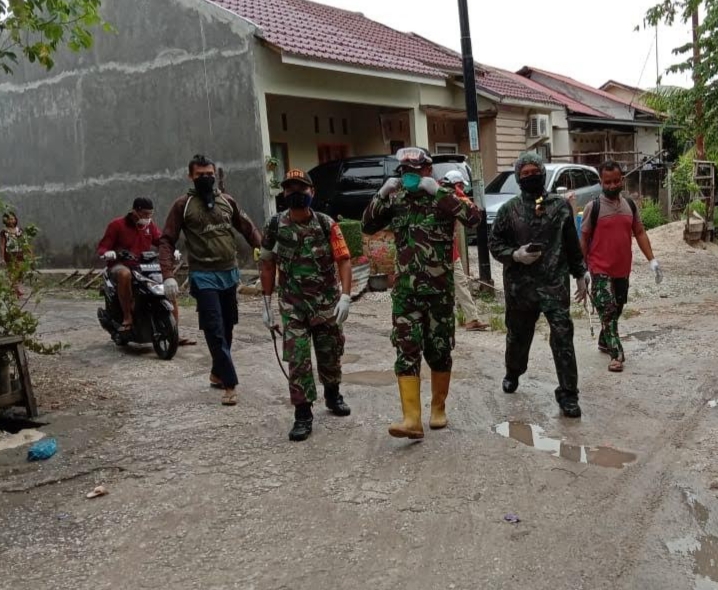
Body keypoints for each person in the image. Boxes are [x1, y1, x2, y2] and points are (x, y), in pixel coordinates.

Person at [362, 147, 481, 439]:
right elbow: (367, 225)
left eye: (415, 172)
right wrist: (381, 194)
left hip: (439, 293)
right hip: (406, 293)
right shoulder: (398, 200)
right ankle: (411, 418)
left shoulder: (444, 196)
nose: (409, 177)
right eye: (404, 172)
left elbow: (474, 217)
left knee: (439, 351)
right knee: (406, 350)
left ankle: (438, 408)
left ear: (427, 171)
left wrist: (439, 193)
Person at [488, 152, 588, 418]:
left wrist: (580, 274)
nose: (531, 177)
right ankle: (513, 371)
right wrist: (515, 254)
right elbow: (494, 244)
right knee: (518, 337)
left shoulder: (560, 206)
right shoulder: (509, 210)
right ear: (519, 178)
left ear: (542, 174)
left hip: (554, 285)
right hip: (520, 288)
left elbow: (571, 244)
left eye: (535, 172)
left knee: (563, 336)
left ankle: (568, 394)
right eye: (525, 174)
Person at [159, 155, 262, 406]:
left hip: (229, 274)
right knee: (215, 330)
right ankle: (230, 384)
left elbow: (248, 229)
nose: (205, 178)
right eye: (200, 175)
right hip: (203, 277)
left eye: (209, 174)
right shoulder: (182, 205)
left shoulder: (227, 202)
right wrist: (168, 275)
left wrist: (265, 252)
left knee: (227, 327)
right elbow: (166, 240)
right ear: (190, 177)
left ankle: (217, 373)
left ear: (215, 175)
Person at [260, 168, 353, 442]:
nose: (296, 194)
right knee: (298, 359)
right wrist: (266, 303)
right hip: (293, 306)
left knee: (329, 353)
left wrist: (345, 296)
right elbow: (266, 263)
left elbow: (344, 260)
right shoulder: (275, 226)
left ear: (312, 192)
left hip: (326, 304)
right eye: (290, 189)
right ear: (283, 193)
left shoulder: (327, 224)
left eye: (301, 189)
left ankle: (333, 395)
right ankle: (303, 414)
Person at [579, 160, 663, 373]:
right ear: (601, 182)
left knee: (616, 309)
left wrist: (652, 260)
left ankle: (604, 340)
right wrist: (581, 269)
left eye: (616, 181)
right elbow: (584, 237)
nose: (612, 185)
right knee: (607, 310)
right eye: (607, 182)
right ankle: (617, 354)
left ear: (622, 180)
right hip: (599, 269)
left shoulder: (630, 206)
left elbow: (640, 232)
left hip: (622, 270)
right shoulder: (593, 207)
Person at [97, 198, 162, 333]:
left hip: (142, 266)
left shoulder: (150, 226)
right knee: (124, 274)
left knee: (167, 281)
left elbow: (161, 241)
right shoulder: (117, 225)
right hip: (120, 265)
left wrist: (172, 249)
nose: (148, 217)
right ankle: (127, 317)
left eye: (150, 214)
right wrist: (110, 253)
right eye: (145, 214)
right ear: (135, 211)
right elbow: (102, 248)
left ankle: (174, 332)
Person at [440, 170, 489, 332]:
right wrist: (461, 195)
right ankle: (467, 319)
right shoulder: (452, 198)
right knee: (454, 285)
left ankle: (471, 319)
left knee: (456, 284)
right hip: (444, 252)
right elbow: (473, 215)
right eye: (461, 186)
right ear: (457, 185)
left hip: (446, 252)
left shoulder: (437, 194)